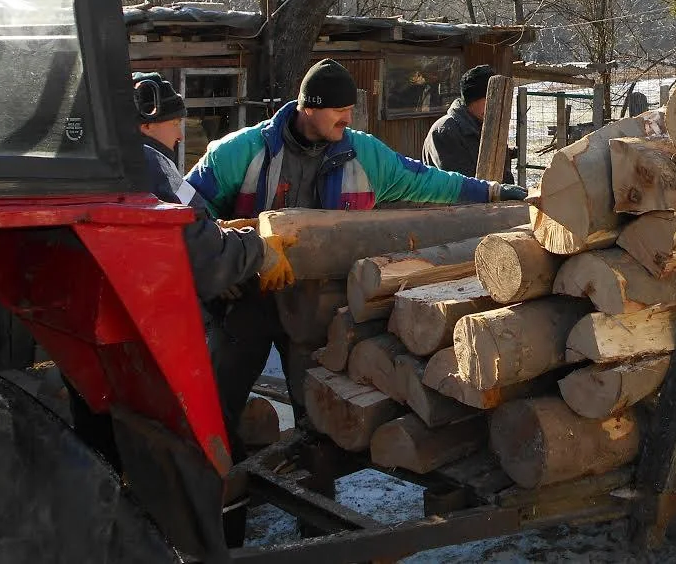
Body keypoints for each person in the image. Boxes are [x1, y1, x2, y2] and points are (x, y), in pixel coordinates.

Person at [185, 58, 527, 458]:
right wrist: (220, 272)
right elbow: (186, 214)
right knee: (215, 407)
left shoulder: (364, 156)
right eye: (339, 110)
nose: (348, 117)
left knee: (316, 419)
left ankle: (314, 504)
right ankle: (222, 504)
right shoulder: (241, 153)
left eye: (350, 109)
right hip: (245, 301)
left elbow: (429, 181)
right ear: (309, 107)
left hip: (317, 311)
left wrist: (492, 192)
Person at [66, 72, 291, 470]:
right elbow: (197, 251)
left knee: (102, 442)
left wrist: (224, 236)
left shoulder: (96, 158)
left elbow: (191, 227)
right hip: (141, 334)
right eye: (175, 123)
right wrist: (259, 251)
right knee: (187, 446)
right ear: (148, 122)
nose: (178, 135)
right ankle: (216, 518)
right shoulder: (149, 161)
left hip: (92, 329)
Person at [422, 64, 514, 181]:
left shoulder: (488, 126)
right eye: (491, 100)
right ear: (473, 99)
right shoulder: (444, 131)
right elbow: (459, 185)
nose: (497, 106)